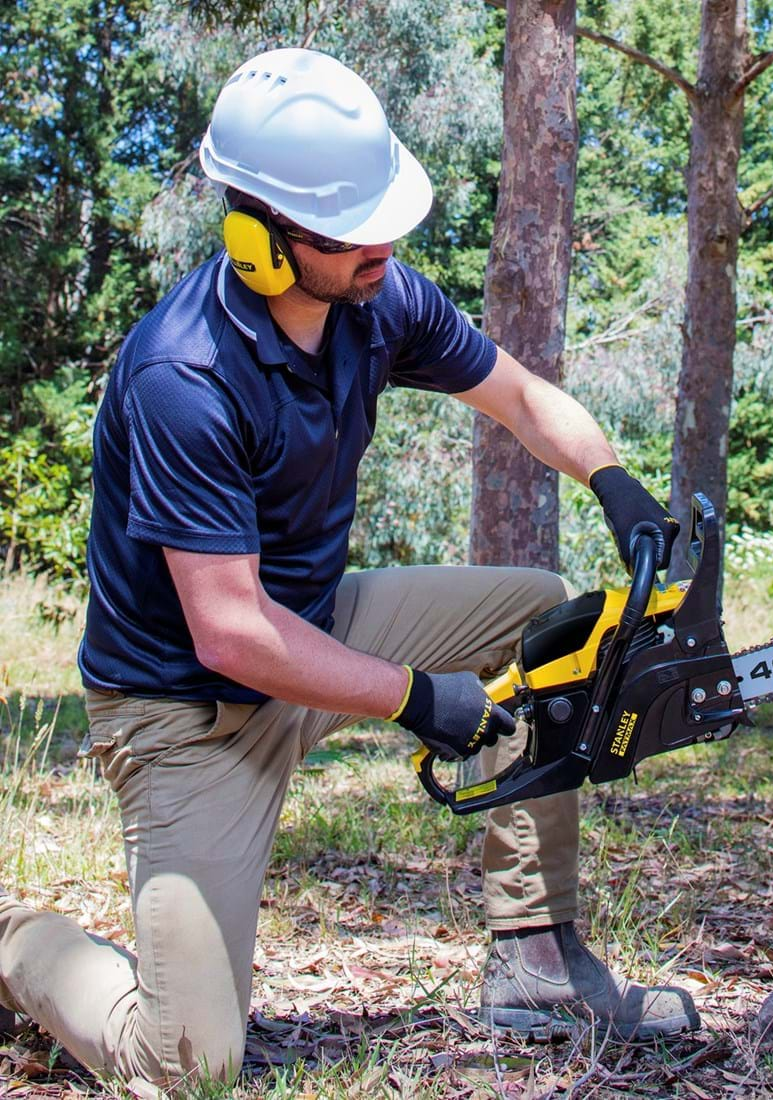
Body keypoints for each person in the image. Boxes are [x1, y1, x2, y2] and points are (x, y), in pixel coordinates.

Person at [0, 48, 698, 1092]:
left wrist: (613, 482)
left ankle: (536, 957)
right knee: (187, 1065)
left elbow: (518, 398)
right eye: (348, 228)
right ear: (260, 241)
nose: (380, 244)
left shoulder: (379, 296)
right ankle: (14, 937)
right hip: (184, 711)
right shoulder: (182, 375)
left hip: (314, 625)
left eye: (384, 217)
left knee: (539, 614)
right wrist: (418, 698)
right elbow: (229, 632)